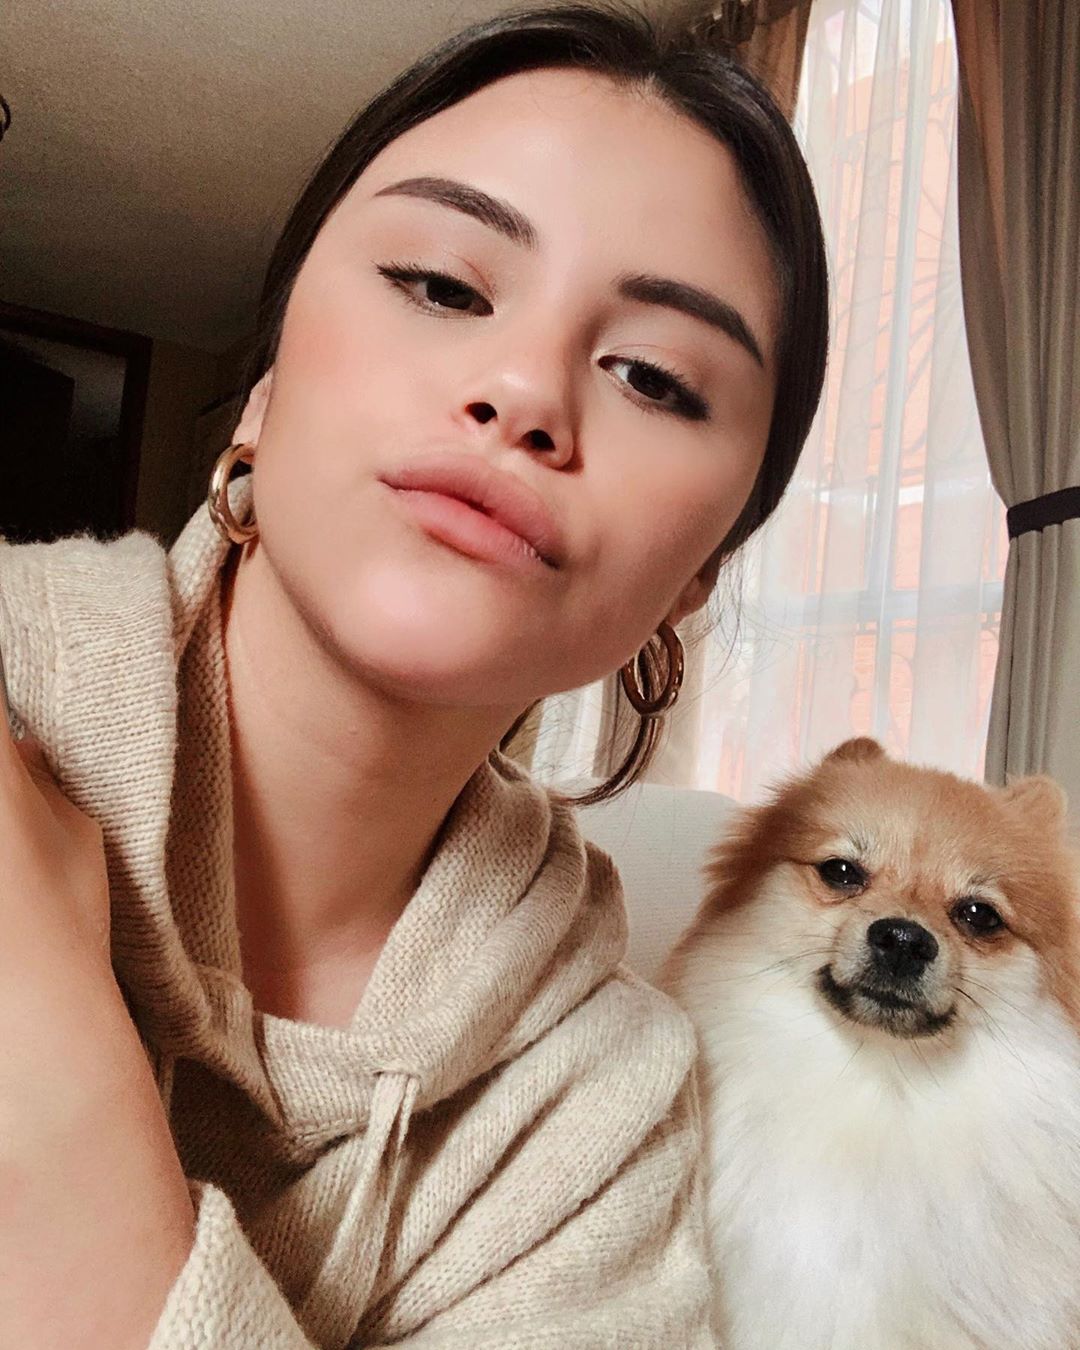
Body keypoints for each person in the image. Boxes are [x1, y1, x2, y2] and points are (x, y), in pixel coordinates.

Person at [0, 3, 827, 1346]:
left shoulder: (605, 1122)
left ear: (696, 578)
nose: (526, 391)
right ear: (264, 393)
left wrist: (54, 1083)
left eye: (655, 377)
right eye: (444, 287)